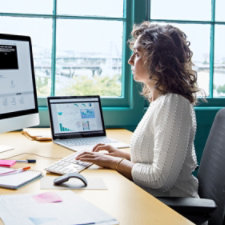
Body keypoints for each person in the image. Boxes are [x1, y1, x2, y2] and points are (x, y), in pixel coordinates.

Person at [76, 22, 201, 198]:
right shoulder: (160, 101)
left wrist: (113, 162)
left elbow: (160, 179)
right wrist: (121, 155)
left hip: (173, 209)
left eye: (137, 54)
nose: (130, 60)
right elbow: (154, 160)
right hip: (150, 200)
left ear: (158, 62)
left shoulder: (173, 105)